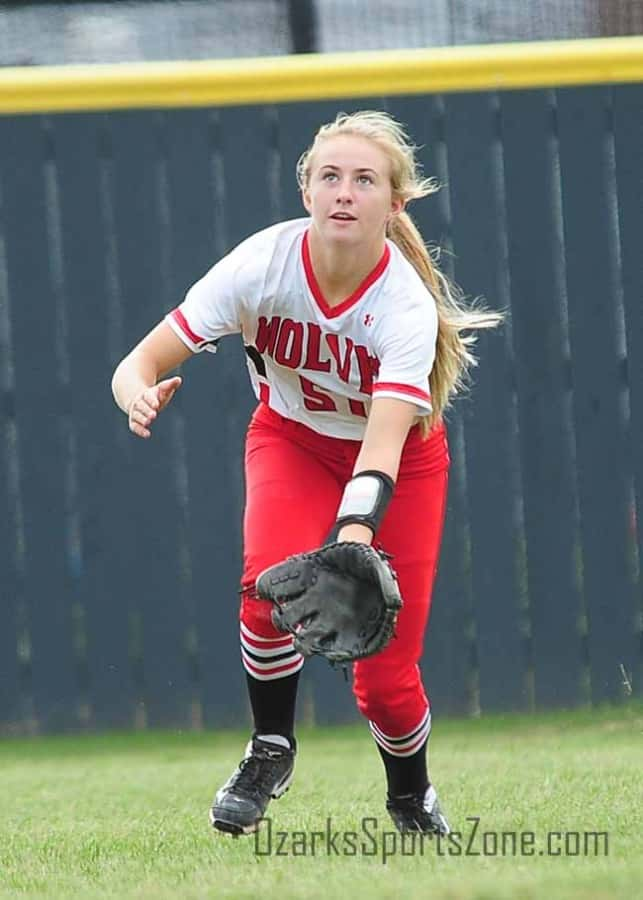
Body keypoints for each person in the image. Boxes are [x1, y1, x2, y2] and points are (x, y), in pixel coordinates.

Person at [111, 110, 500, 837]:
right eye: (329, 177)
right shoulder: (260, 265)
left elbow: (383, 443)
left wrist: (354, 534)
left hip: (400, 464)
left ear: (395, 203)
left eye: (363, 180)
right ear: (305, 192)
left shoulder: (403, 306)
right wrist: (136, 392)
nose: (343, 193)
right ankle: (270, 747)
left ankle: (411, 795)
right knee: (267, 586)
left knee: (383, 678)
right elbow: (138, 361)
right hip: (291, 438)